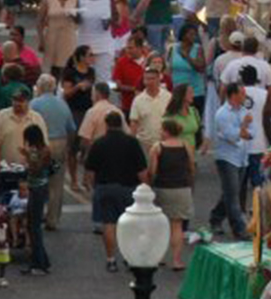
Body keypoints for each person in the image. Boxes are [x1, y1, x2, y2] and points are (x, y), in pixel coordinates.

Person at [83, 110, 147, 269]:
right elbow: (142, 172)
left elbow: (90, 172)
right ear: (121, 124)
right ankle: (128, 257)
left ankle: (111, 259)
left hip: (105, 187)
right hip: (128, 188)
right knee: (129, 225)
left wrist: (93, 187)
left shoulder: (98, 143)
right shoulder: (132, 142)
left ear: (106, 125)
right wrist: (146, 188)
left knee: (109, 224)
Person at [209, 81, 254, 240]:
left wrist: (245, 130)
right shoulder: (222, 114)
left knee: (230, 192)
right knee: (233, 195)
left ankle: (216, 217)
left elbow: (251, 133)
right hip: (227, 158)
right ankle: (239, 229)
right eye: (242, 93)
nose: (245, 96)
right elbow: (232, 136)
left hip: (242, 157)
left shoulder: (243, 110)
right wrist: (245, 126)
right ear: (233, 95)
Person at [149, 116, 195, 270]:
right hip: (182, 187)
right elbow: (191, 167)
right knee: (177, 225)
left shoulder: (157, 147)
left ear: (167, 131)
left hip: (163, 187)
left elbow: (152, 171)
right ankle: (176, 260)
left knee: (161, 224)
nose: (160, 132)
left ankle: (159, 257)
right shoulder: (186, 146)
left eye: (162, 129)